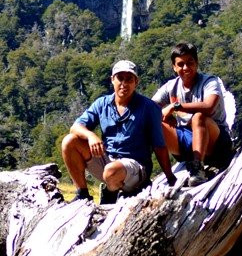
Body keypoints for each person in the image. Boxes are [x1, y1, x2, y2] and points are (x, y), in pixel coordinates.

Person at [61, 60, 176, 204]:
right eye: (120, 78)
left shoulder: (149, 107)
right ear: (112, 80)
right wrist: (91, 135)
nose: (124, 83)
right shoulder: (102, 104)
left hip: (135, 166)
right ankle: (82, 194)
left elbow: (159, 146)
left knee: (111, 171)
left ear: (136, 82)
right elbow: (75, 127)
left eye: (129, 79)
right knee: (69, 142)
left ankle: (111, 193)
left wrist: (170, 177)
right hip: (108, 159)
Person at [152, 42, 234, 185]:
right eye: (180, 64)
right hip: (187, 141)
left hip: (216, 143)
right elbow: (149, 109)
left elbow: (208, 107)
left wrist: (175, 106)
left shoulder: (210, 82)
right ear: (174, 67)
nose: (186, 68)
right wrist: (163, 115)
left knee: (199, 116)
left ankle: (198, 170)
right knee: (152, 122)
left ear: (196, 63)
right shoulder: (171, 86)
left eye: (190, 63)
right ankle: (149, 171)